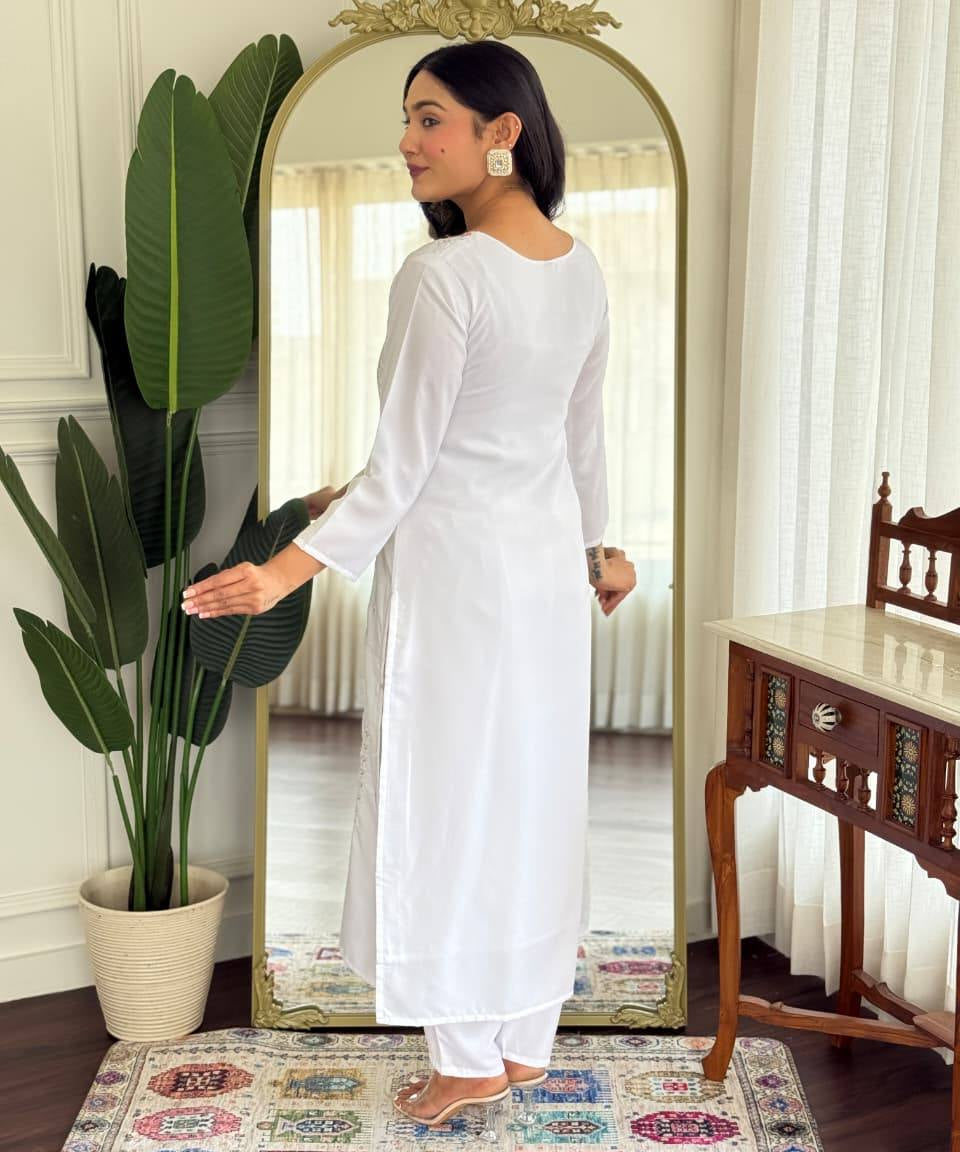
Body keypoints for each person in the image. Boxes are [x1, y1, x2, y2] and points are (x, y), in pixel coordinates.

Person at [180, 39, 636, 1130]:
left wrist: (281, 571)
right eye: (408, 119)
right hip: (540, 585)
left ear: (501, 132)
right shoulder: (579, 267)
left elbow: (406, 469)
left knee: (444, 802)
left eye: (430, 118)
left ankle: (467, 1058)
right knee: (528, 797)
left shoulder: (443, 274)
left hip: (453, 586)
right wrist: (599, 553)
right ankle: (518, 1040)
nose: (407, 142)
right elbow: (575, 441)